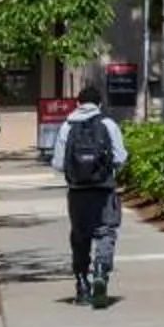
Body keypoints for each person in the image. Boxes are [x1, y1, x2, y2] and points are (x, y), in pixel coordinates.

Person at [51, 82, 127, 306]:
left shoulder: (67, 126)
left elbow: (57, 163)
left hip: (77, 193)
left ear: (77, 103)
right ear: (99, 104)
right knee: (106, 231)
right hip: (103, 191)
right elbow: (120, 157)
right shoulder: (108, 124)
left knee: (80, 236)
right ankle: (101, 271)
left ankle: (82, 284)